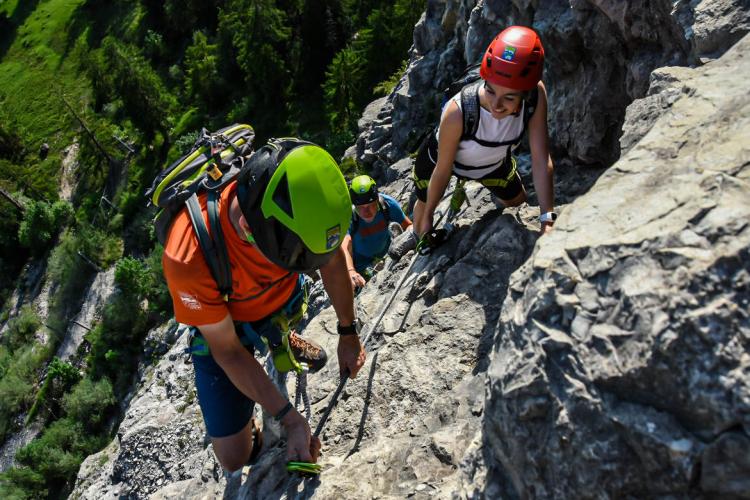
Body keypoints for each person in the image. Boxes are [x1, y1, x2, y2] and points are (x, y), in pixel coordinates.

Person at [161, 140, 366, 473]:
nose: (309, 263)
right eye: (299, 259)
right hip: (227, 328)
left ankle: (280, 337)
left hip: (280, 299)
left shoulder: (296, 181)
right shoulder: (189, 256)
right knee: (234, 457)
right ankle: (254, 420)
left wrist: (348, 331)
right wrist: (289, 420)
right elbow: (227, 351)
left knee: (280, 316)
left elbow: (331, 258)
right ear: (247, 230)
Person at [391, 25, 556, 257]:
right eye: (490, 91)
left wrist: (547, 218)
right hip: (441, 159)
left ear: (525, 93)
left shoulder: (535, 96)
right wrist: (429, 214)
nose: (497, 105)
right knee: (424, 202)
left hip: (492, 164)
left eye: (509, 98)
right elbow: (443, 169)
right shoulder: (458, 111)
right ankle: (415, 235)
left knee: (518, 202)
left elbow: (540, 158)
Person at [342, 175, 412, 289]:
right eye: (361, 207)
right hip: (360, 264)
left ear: (377, 199)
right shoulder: (349, 216)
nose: (366, 211)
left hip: (388, 253)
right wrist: (351, 271)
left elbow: (409, 226)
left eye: (370, 206)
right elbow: (345, 245)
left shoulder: (388, 205)